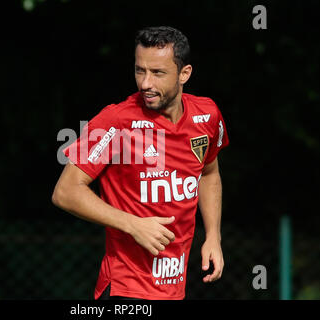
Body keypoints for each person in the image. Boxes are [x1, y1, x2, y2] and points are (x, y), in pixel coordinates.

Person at [52, 26, 229, 300]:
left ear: (185, 74)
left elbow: (209, 174)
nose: (146, 83)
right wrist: (133, 224)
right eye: (139, 70)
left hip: (175, 288)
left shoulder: (207, 115)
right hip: (125, 288)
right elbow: (66, 191)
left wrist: (213, 236)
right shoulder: (117, 120)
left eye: (157, 73)